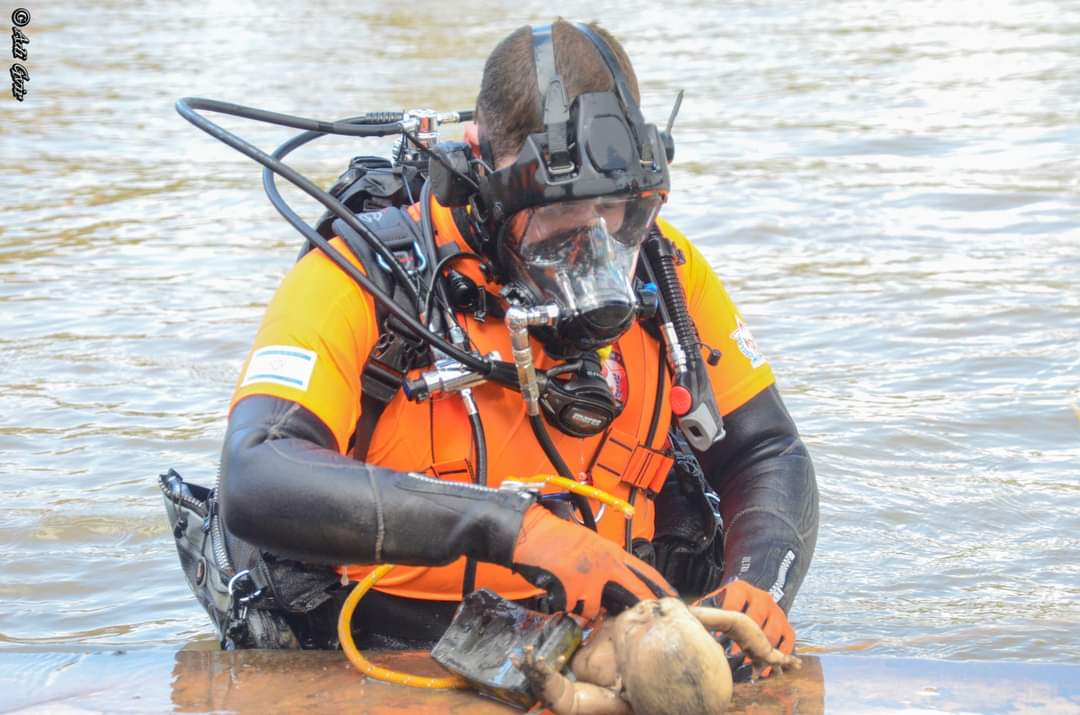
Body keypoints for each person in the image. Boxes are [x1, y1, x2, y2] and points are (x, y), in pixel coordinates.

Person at [167, 19, 819, 667]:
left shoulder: (665, 273)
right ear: (476, 169)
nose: (595, 254)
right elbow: (255, 473)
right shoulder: (361, 280)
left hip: (606, 649)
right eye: (561, 218)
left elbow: (767, 450)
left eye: (619, 211)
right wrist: (514, 527)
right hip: (390, 647)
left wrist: (759, 586)